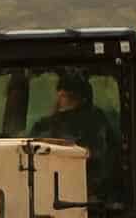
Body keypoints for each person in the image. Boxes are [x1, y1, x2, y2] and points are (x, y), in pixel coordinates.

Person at [28, 72, 122, 203]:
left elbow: (97, 155)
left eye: (66, 95)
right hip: (44, 193)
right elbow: (29, 151)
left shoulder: (95, 123)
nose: (60, 98)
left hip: (87, 196)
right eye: (59, 93)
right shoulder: (44, 125)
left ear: (80, 98)